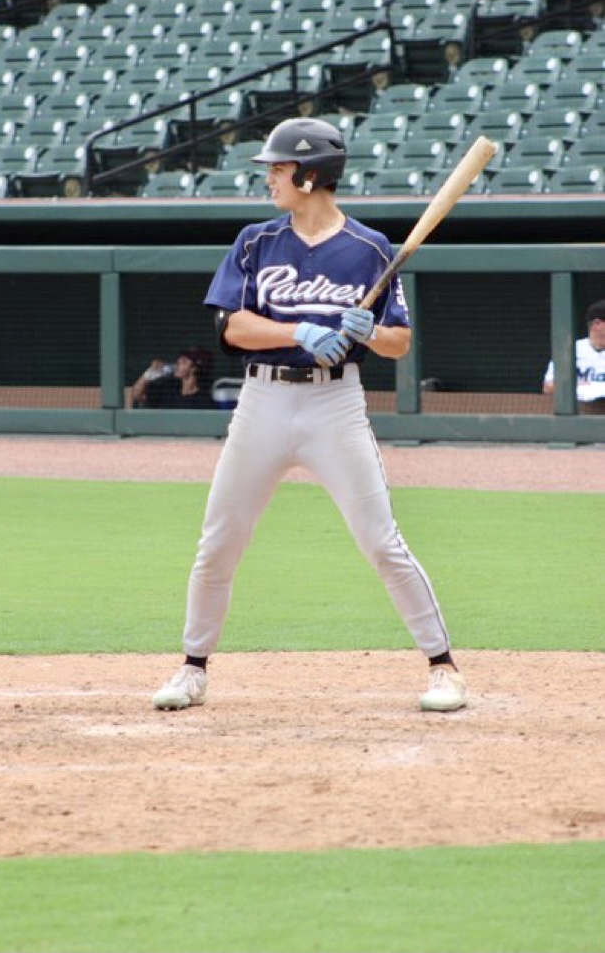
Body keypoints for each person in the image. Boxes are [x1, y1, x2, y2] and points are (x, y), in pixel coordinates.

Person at [152, 116, 467, 714]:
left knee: (382, 541)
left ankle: (444, 668)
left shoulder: (370, 249)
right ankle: (193, 668)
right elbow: (232, 328)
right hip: (262, 404)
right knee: (219, 542)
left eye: (278, 168)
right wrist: (298, 328)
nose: (270, 177)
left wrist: (370, 331)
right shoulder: (256, 241)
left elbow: (400, 342)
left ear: (311, 173)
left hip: (335, 405)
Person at [543, 299, 605, 409]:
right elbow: (548, 387)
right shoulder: (571, 350)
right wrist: (578, 386)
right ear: (597, 324)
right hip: (577, 413)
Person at [131, 346, 215, 409]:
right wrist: (149, 373)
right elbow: (138, 395)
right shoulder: (169, 389)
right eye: (179, 360)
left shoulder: (203, 401)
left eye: (184, 362)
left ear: (194, 368)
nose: (178, 363)